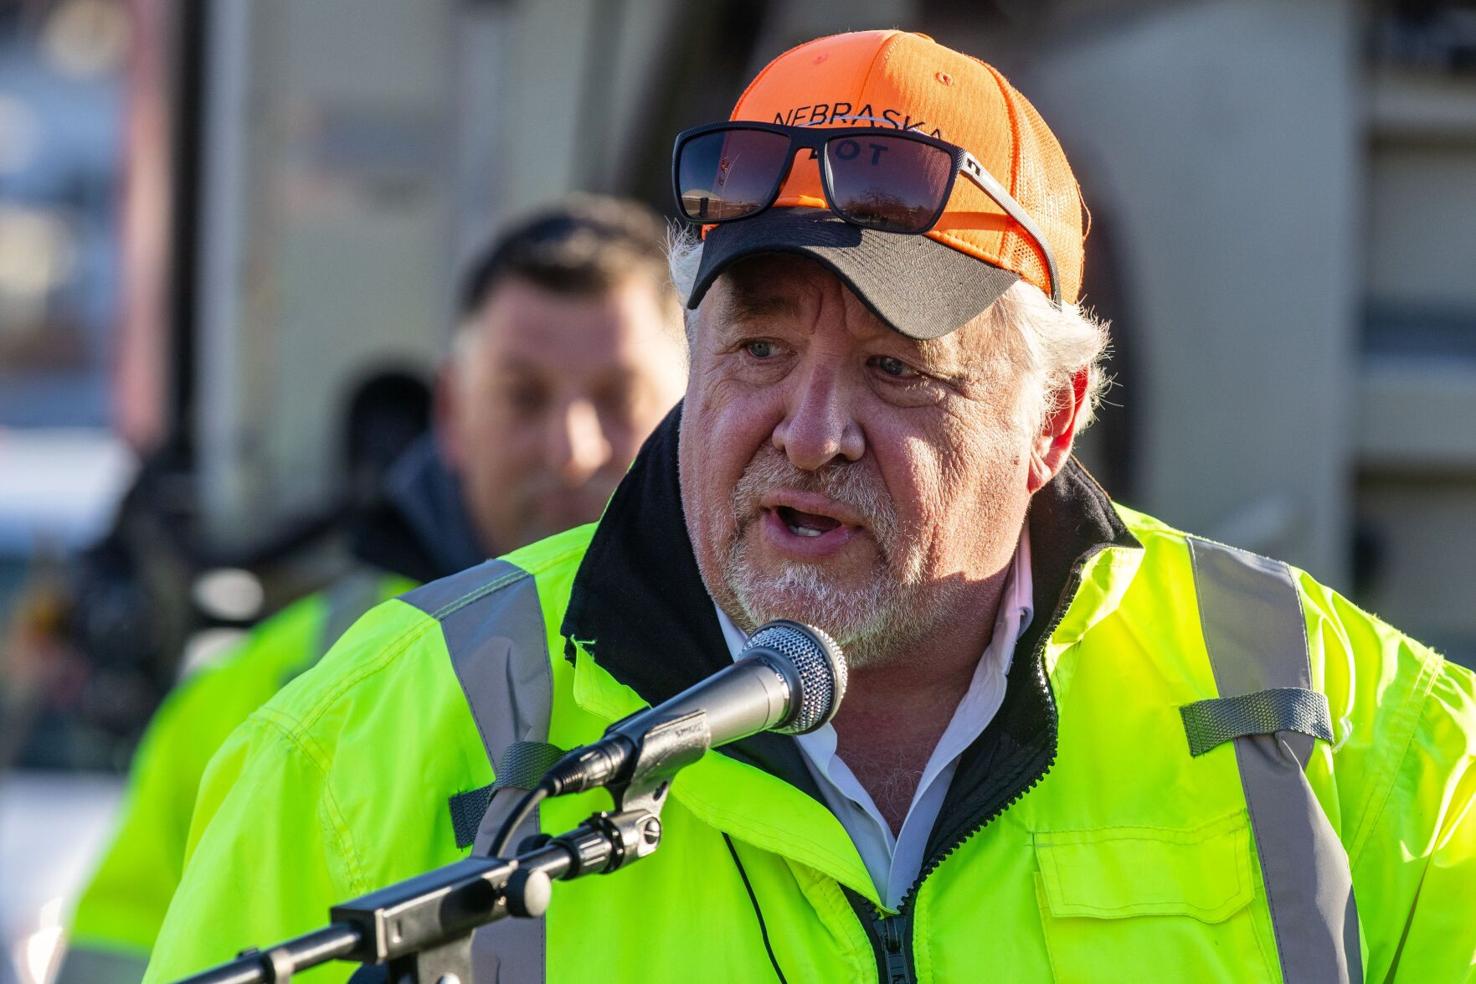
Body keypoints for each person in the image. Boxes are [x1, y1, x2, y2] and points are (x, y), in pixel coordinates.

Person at [146, 32, 1475, 983]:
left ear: (1053, 423)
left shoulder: (1363, 746)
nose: (812, 433)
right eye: (760, 352)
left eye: (900, 370)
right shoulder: (362, 753)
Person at [59, 194, 688, 982]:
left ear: (691, 410)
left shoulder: (769, 686)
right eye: (524, 396)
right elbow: (113, 958)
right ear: (453, 413)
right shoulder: (256, 701)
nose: (571, 447)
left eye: (616, 397)